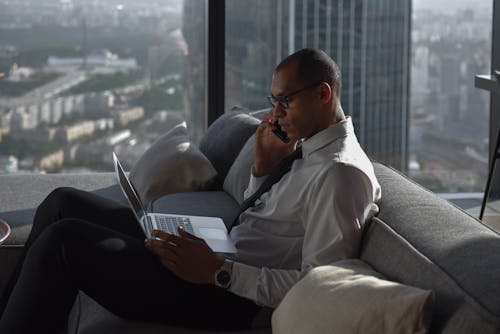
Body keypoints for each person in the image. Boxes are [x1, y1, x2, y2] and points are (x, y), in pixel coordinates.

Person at [0, 48, 381, 333]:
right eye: (273, 102)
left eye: (285, 101)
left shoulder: (341, 173)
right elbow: (272, 223)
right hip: (218, 256)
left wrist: (219, 271)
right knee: (63, 202)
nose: (275, 113)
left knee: (64, 241)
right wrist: (261, 171)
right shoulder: (307, 146)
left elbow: (320, 286)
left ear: (323, 94)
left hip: (226, 297)